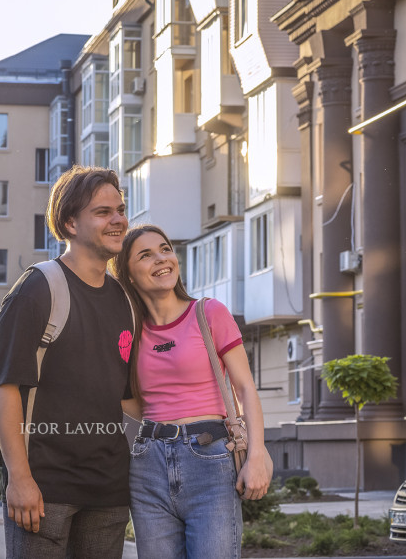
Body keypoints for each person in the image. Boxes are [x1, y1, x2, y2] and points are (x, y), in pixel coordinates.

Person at [0, 166, 135, 558]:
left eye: (121, 209)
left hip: (108, 492)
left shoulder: (124, 300)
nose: (119, 219)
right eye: (103, 212)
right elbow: (3, 386)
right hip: (44, 490)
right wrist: (19, 480)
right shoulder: (38, 288)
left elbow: (125, 399)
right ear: (70, 222)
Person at [110, 224, 273, 559]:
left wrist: (257, 453)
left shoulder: (209, 312)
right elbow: (129, 404)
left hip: (209, 458)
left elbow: (244, 387)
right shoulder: (130, 332)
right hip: (147, 466)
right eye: (146, 255)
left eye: (165, 249)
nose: (161, 259)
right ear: (128, 273)